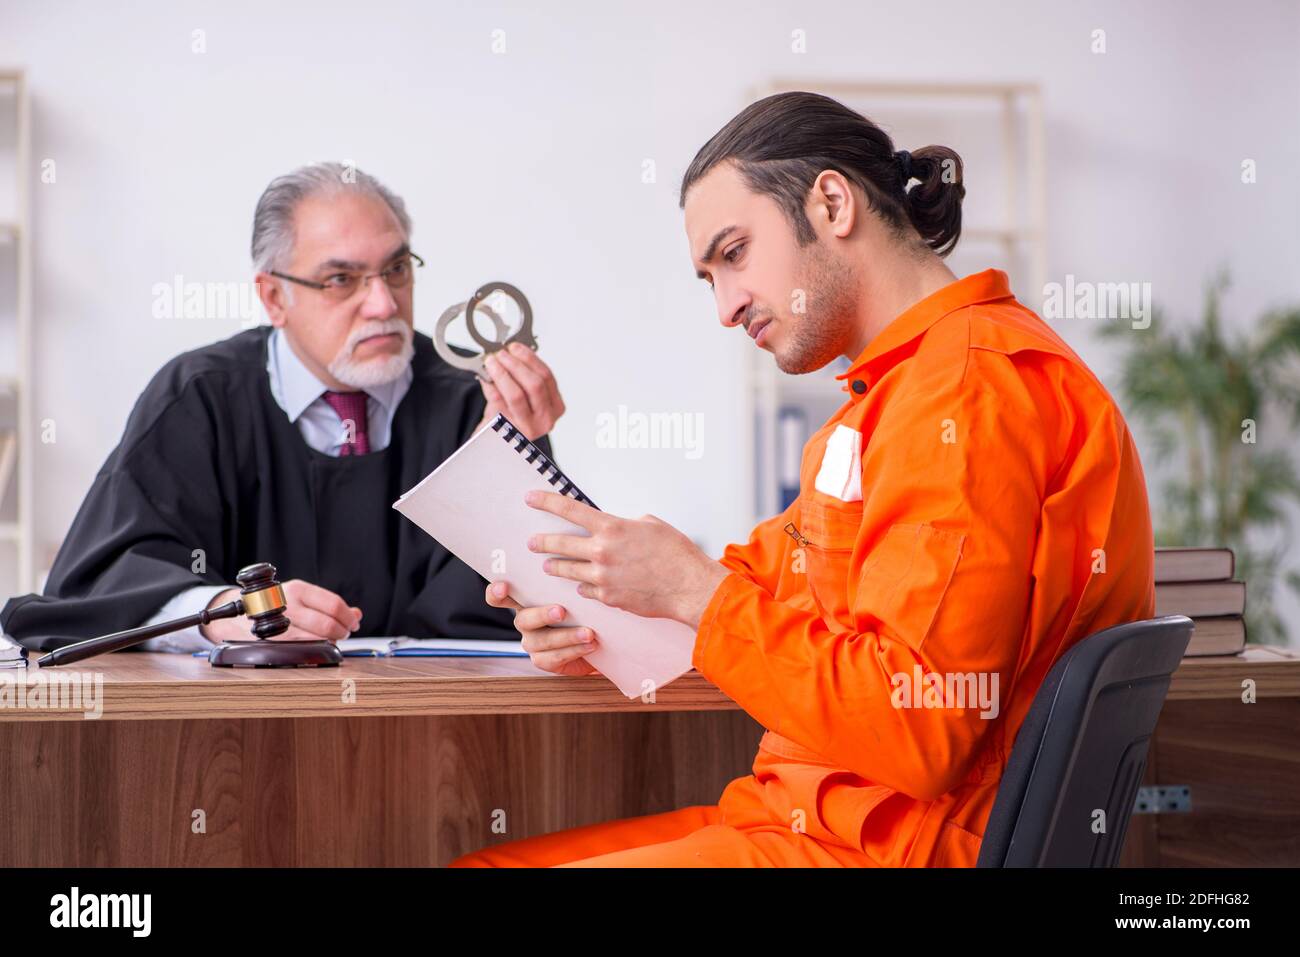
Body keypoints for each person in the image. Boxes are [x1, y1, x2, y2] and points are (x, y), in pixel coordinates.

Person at [452, 92, 1155, 867]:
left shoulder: (965, 390)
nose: (724, 307)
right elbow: (761, 589)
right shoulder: (885, 402)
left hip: (889, 845)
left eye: (734, 252)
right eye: (707, 277)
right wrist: (601, 613)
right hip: (808, 822)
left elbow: (922, 727)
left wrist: (691, 591)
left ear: (830, 202)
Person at [1, 162, 565, 653]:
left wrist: (510, 461)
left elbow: (517, 614)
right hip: (230, 742)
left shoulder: (475, 398)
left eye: (396, 269)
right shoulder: (200, 396)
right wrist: (225, 612)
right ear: (274, 297)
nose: (384, 303)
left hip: (438, 735)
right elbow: (102, 580)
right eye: (341, 279)